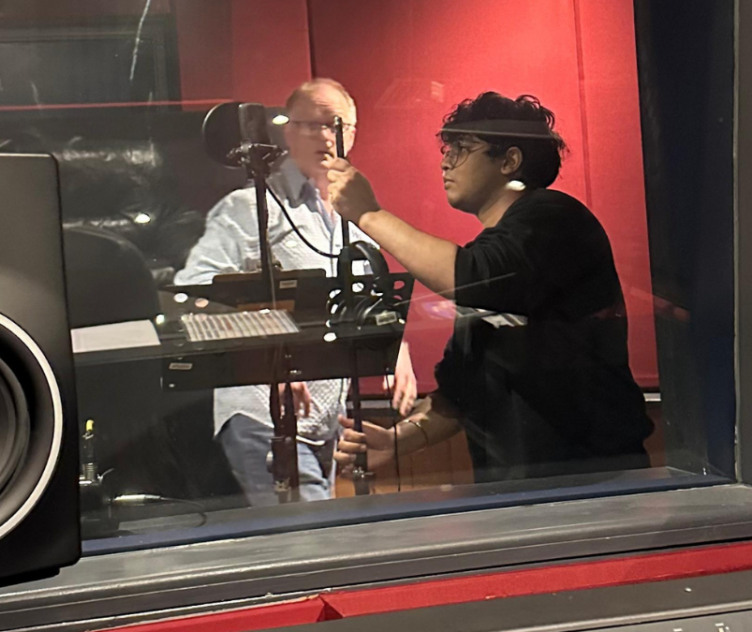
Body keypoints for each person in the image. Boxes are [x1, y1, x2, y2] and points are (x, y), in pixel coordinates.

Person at [328, 92, 653, 483]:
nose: (446, 160)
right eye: (447, 148)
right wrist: (398, 441)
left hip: (591, 481)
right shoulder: (498, 256)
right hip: (521, 490)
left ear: (509, 161)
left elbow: (471, 276)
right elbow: (458, 394)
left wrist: (368, 213)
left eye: (462, 147)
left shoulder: (554, 218)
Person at [175, 78, 417, 504]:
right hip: (261, 415)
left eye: (336, 126)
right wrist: (269, 352)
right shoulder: (249, 208)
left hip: (326, 419)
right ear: (287, 132)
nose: (325, 137)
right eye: (311, 125)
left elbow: (368, 297)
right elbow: (191, 297)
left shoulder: (355, 214)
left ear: (354, 133)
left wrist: (398, 350)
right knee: (314, 537)